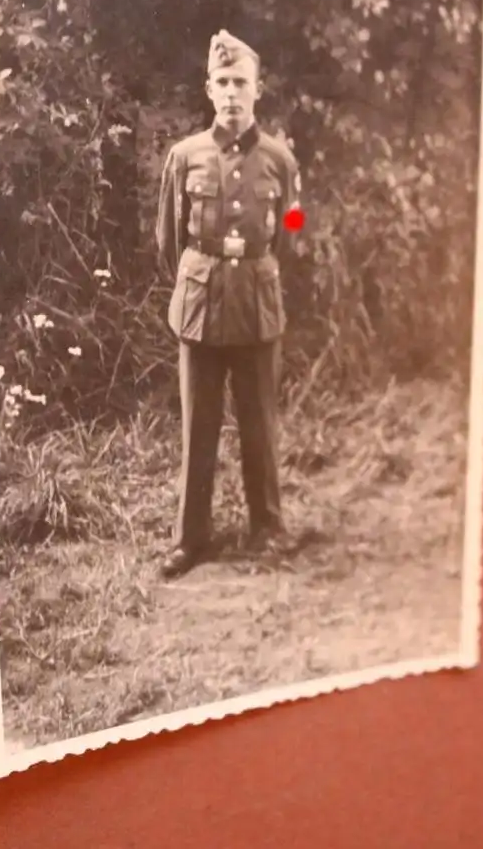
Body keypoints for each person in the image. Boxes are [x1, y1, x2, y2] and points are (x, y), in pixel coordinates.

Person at [155, 30, 302, 579]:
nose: (233, 92)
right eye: (223, 81)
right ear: (209, 89)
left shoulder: (281, 160)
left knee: (259, 422)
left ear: (258, 89)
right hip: (200, 305)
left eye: (242, 82)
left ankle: (268, 528)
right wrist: (200, 276)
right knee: (199, 426)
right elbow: (169, 239)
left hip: (257, 306)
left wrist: (262, 270)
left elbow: (292, 228)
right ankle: (192, 539)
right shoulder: (184, 157)